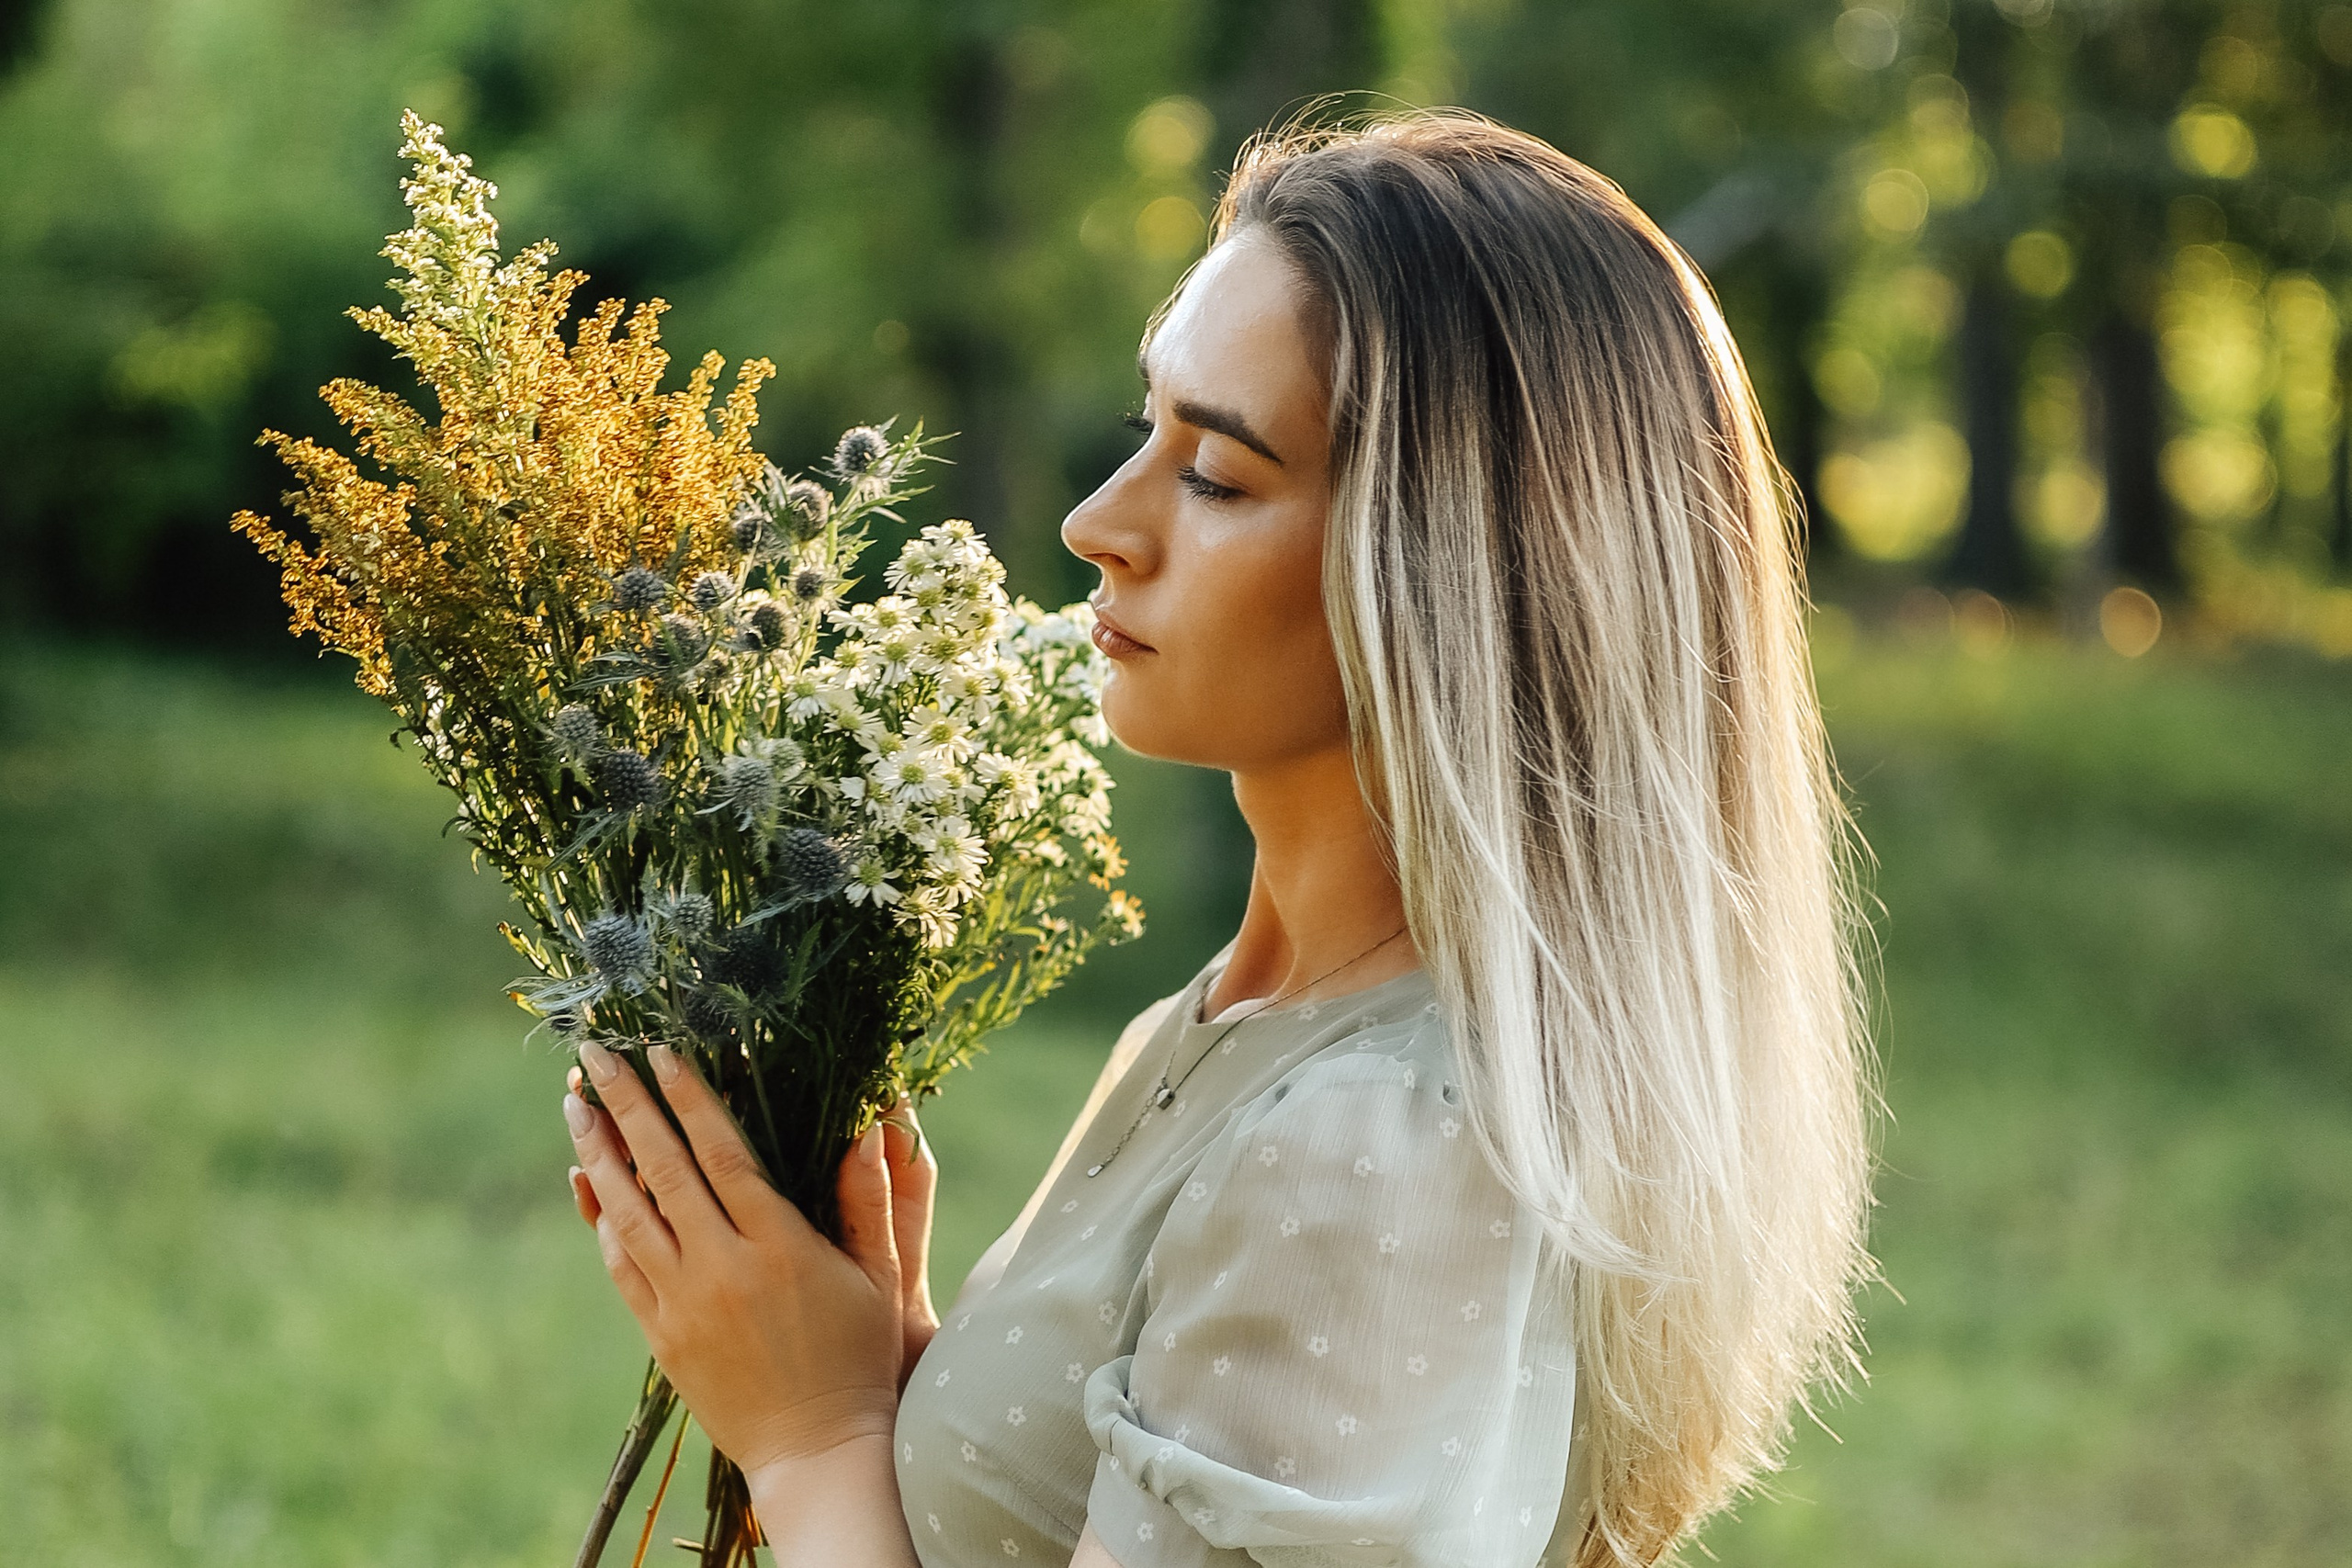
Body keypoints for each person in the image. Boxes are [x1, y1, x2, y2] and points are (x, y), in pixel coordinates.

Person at [560, 108, 1876, 1568]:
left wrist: (810, 1439)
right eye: (1150, 430)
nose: (1095, 524)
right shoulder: (1238, 1022)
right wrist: (906, 1390)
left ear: (1451, 574)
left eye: (1219, 477)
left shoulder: (1372, 1144)